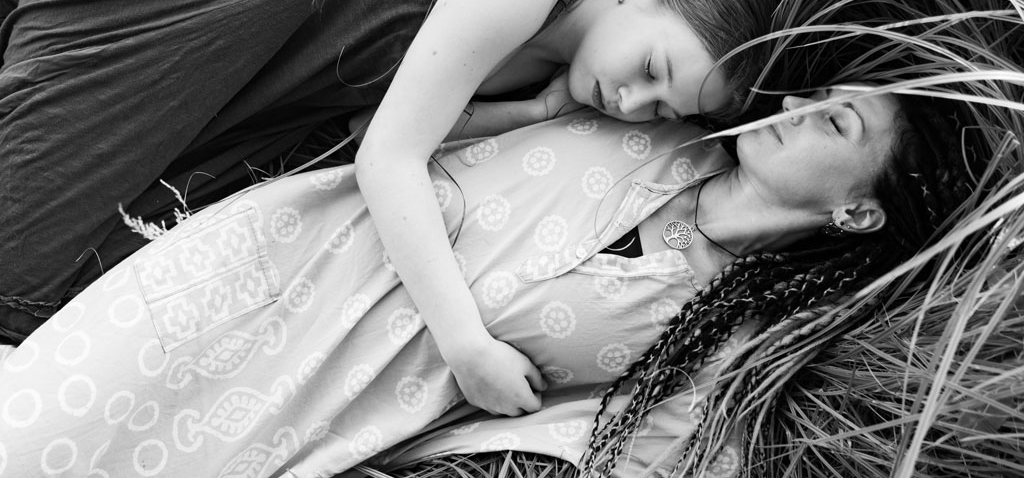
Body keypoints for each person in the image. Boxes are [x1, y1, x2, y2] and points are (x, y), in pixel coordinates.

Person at [0, 0, 772, 424]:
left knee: (62, 304)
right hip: (173, 8)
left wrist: (534, 107)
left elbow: (368, 129)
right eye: (651, 68)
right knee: (16, 266)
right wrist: (465, 344)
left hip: (251, 86)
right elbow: (386, 160)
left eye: (659, 107)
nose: (631, 102)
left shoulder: (553, 67)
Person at [0, 85, 972, 477]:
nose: (797, 107)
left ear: (856, 211)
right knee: (30, 434)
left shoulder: (725, 324)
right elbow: (413, 137)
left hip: (348, 406)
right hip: (274, 277)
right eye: (813, 94)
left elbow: (614, 444)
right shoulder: (655, 121)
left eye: (834, 123)